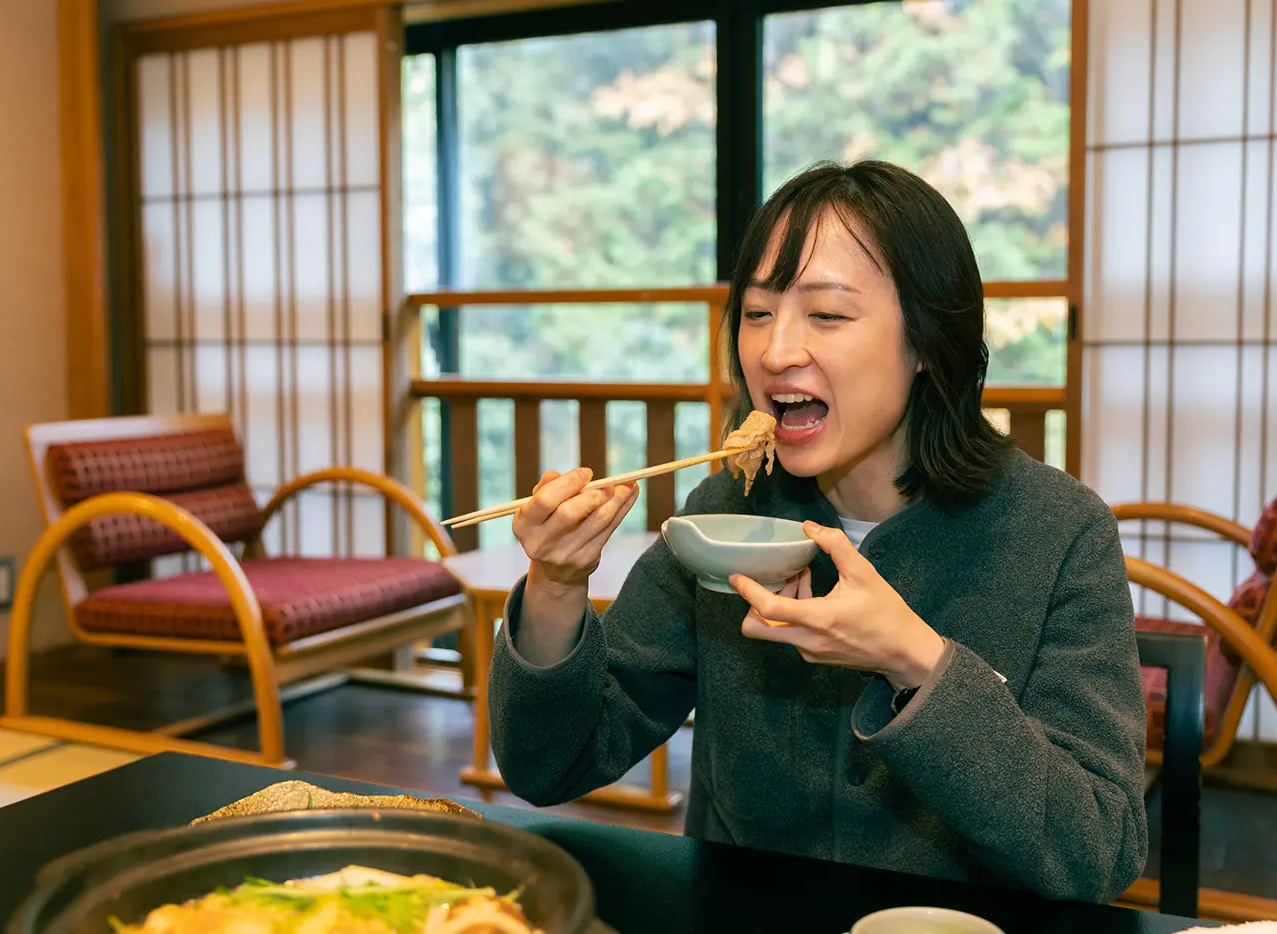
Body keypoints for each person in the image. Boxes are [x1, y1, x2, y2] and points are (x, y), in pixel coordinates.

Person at [487, 160, 1148, 903]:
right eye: (759, 313)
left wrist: (915, 661)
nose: (774, 352)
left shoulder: (1056, 532)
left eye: (827, 316)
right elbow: (551, 765)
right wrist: (555, 586)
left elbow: (1100, 846)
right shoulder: (727, 516)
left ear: (929, 340)